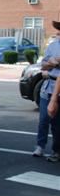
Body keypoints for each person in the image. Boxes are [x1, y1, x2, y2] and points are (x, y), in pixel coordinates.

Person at [34, 20, 60, 158]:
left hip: (57, 85)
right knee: (44, 119)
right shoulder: (53, 46)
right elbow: (43, 66)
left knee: (57, 123)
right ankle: (40, 146)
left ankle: (56, 150)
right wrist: (51, 63)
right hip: (49, 85)